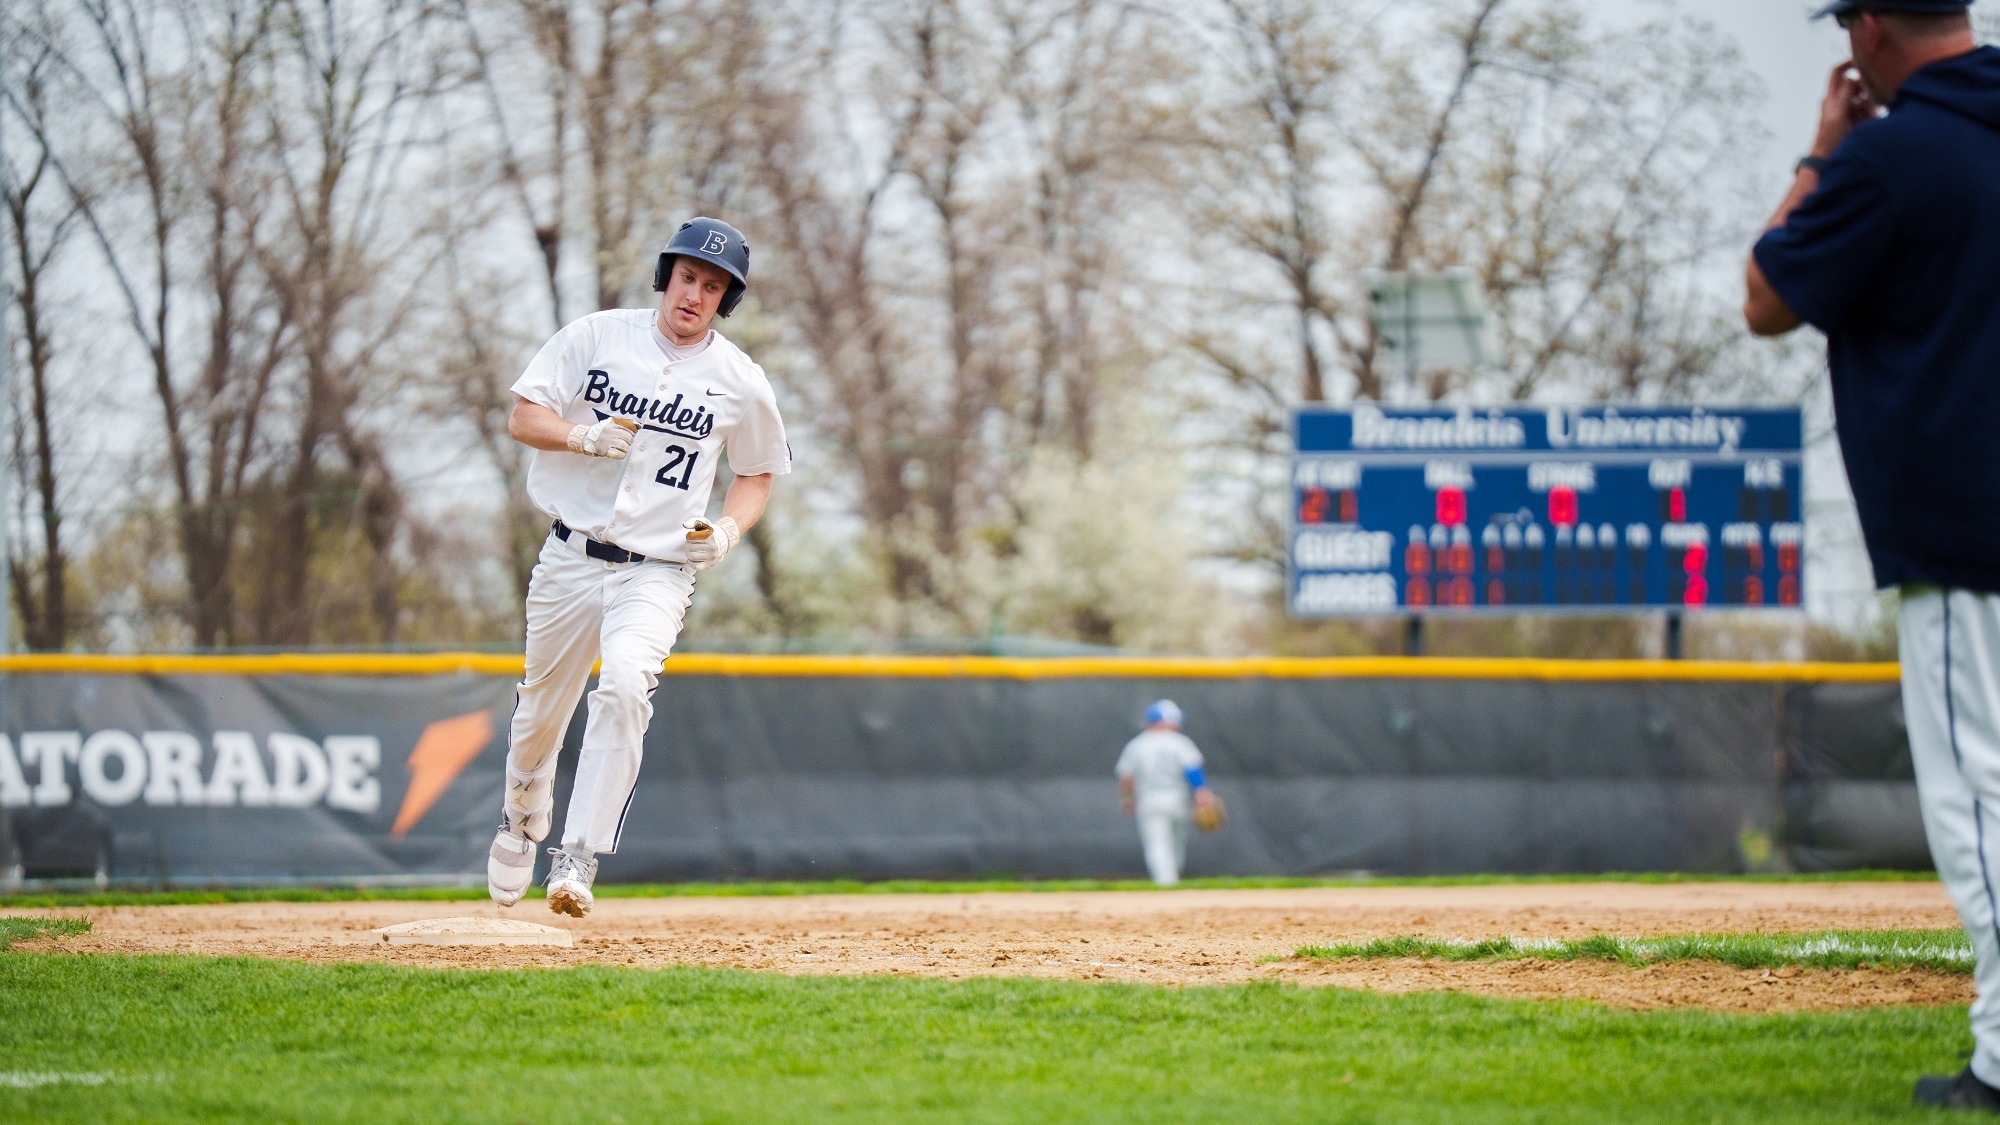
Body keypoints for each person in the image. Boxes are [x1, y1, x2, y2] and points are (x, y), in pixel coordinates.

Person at [1745, 1, 2000, 1109]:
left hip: (1963, 537)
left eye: (1847, 18)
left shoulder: (1891, 158)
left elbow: (1764, 298)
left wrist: (1821, 147)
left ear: (1873, 28)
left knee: (1980, 807)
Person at [487, 216, 791, 917]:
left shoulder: (738, 380)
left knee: (625, 685)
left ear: (725, 300)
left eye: (713, 286)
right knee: (541, 711)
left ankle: (577, 854)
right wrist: (580, 434)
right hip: (569, 554)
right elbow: (523, 417)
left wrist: (726, 530)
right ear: (666, 276)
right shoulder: (597, 336)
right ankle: (520, 811)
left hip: (655, 570)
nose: (695, 293)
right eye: (688, 276)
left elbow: (758, 473)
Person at [1114, 700, 1219, 887]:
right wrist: (1202, 792)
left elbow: (1126, 776)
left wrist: (1128, 798)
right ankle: (1171, 882)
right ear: (1166, 720)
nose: (1178, 723)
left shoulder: (1137, 744)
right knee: (1176, 842)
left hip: (1149, 798)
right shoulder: (1180, 742)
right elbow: (1192, 770)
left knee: (1157, 843)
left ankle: (1166, 883)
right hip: (1176, 797)